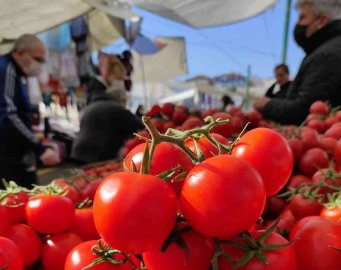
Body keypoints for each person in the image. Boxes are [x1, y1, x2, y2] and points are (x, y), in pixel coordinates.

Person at [254, 0, 341, 125]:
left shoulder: (328, 54)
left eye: (302, 17)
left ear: (321, 21)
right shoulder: (325, 49)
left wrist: (267, 104)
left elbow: (305, 111)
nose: (298, 24)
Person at [0, 35, 59, 188]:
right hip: (6, 156)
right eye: (37, 59)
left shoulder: (16, 74)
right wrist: (39, 148)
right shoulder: (7, 70)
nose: (39, 65)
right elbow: (8, 115)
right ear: (19, 53)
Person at [72, 84, 144, 165]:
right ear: (122, 100)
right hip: (95, 155)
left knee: (82, 176)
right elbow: (142, 127)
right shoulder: (117, 108)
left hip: (78, 152)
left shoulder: (92, 105)